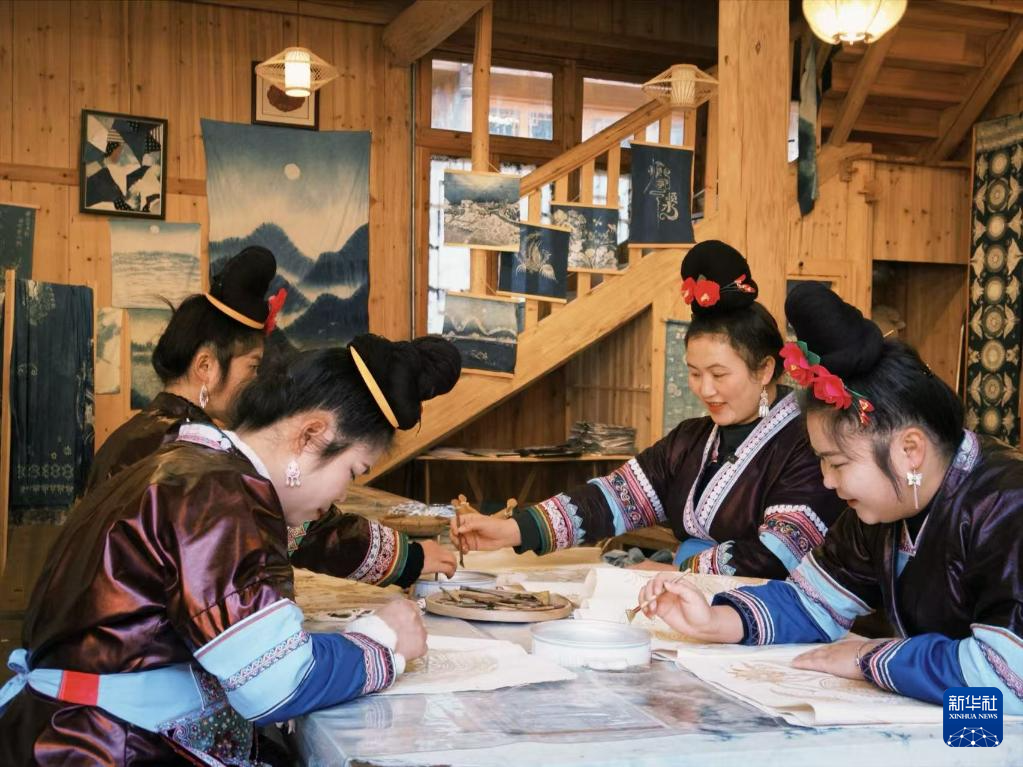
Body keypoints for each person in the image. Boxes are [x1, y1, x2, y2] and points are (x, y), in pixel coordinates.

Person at [0, 333, 463, 763]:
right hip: (104, 746)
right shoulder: (221, 496)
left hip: (73, 732)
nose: (342, 494)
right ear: (310, 435)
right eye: (353, 471)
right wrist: (383, 641)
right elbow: (276, 684)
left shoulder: (193, 468)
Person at [638, 282, 1023, 714]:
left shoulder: (1008, 506)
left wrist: (867, 659)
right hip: (956, 714)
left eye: (836, 463)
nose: (825, 481)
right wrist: (714, 621)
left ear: (910, 449)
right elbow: (813, 601)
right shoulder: (881, 509)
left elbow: (1008, 676)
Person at [452, 241, 844, 579]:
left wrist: (683, 572)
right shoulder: (692, 439)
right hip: (691, 598)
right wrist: (512, 530)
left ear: (765, 369)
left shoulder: (807, 443)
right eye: (695, 373)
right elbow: (612, 499)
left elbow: (781, 552)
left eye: (719, 374)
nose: (705, 389)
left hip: (761, 615)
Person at [87, 246, 454, 585]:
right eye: (252, 366)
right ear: (206, 366)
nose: (257, 380)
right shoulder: (184, 452)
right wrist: (408, 563)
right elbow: (303, 530)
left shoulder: (144, 436)